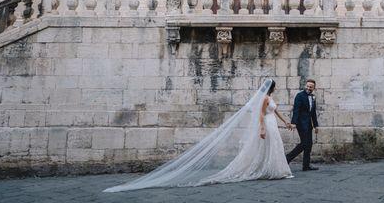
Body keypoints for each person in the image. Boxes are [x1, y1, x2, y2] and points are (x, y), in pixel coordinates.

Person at [103, 78, 292, 192]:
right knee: (269, 146)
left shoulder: (270, 99)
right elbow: (260, 114)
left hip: (273, 124)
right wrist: (261, 128)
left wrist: (286, 122)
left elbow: (276, 112)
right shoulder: (265, 98)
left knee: (275, 147)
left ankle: (276, 170)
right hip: (266, 124)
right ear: (271, 88)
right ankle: (271, 170)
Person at [286, 79, 319, 171]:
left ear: (314, 88)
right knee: (304, 143)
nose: (308, 88)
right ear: (305, 86)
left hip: (309, 125)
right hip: (301, 124)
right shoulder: (299, 96)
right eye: (307, 86)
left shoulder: (313, 97)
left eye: (311, 87)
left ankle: (306, 165)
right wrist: (293, 123)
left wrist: (316, 125)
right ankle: (287, 159)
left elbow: (313, 113)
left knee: (309, 144)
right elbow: (296, 110)